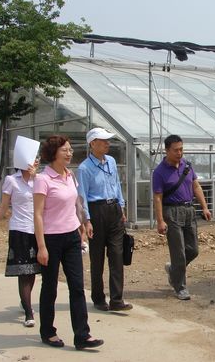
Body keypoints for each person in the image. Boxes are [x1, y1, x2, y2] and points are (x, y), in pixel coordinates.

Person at [33, 135, 103, 350]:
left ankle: (82, 335)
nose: (69, 153)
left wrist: (82, 226)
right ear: (53, 153)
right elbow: (37, 214)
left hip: (72, 237)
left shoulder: (70, 175)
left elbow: (76, 205)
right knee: (50, 287)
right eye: (65, 150)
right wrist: (41, 246)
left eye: (70, 150)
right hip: (51, 239)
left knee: (77, 286)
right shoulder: (43, 179)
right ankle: (48, 332)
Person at [77, 127, 132, 312]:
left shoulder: (111, 161)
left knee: (117, 255)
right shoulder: (84, 168)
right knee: (97, 257)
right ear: (93, 143)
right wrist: (87, 220)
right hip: (96, 210)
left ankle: (117, 299)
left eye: (108, 140)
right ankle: (98, 298)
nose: (108, 143)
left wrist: (121, 207)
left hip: (114, 209)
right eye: (103, 140)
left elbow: (116, 184)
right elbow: (82, 196)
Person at [152, 134, 212, 300]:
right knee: (178, 252)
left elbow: (196, 186)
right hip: (171, 212)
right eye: (176, 150)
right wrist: (160, 221)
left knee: (193, 250)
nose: (179, 153)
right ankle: (180, 287)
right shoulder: (159, 172)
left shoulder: (187, 165)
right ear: (167, 150)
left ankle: (174, 270)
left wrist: (204, 207)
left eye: (181, 149)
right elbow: (158, 197)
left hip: (188, 210)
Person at [0, 160, 40, 328]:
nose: (35, 161)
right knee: (23, 271)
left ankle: (24, 301)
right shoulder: (11, 180)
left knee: (32, 270)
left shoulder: (39, 180)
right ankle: (28, 312)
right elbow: (3, 207)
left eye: (37, 159)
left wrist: (36, 177)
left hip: (37, 230)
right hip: (19, 229)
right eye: (32, 159)